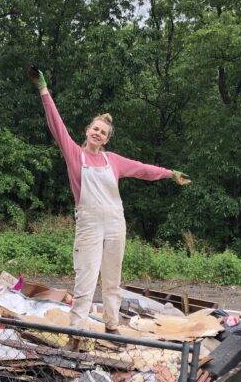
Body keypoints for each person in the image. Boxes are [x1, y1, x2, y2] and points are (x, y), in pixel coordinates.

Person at [28, 66, 190, 334]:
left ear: (106, 139)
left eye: (103, 132)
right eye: (95, 129)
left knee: (112, 279)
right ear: (87, 130)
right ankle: (77, 330)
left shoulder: (112, 160)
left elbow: (142, 169)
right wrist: (43, 90)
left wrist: (170, 174)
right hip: (89, 224)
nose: (98, 134)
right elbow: (56, 125)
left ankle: (112, 325)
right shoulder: (74, 154)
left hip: (115, 223)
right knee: (86, 278)